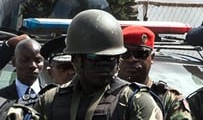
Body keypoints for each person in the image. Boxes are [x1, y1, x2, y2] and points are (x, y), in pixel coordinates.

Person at [34, 9, 162, 120]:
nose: (104, 64)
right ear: (76, 60)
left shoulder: (135, 101)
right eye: (95, 57)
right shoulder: (51, 100)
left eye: (111, 57)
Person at [118, 26, 192, 120]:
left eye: (141, 53)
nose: (132, 59)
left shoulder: (169, 99)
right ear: (117, 56)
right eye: (125, 53)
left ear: (152, 58)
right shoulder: (104, 93)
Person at [0, 38, 44, 104]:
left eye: (38, 61)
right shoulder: (2, 97)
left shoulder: (54, 96)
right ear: (14, 62)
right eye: (25, 60)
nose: (33, 65)